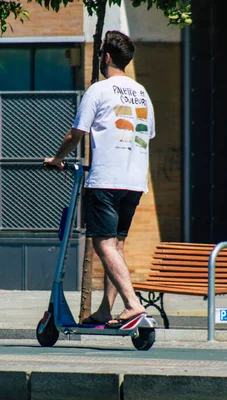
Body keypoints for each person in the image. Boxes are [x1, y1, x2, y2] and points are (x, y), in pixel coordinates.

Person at [44, 30, 155, 327]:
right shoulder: (142, 92)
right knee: (115, 246)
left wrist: (57, 159)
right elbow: (146, 136)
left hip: (106, 180)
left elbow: (75, 134)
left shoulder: (99, 89)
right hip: (134, 182)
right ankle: (106, 311)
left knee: (103, 245)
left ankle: (133, 304)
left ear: (106, 57)